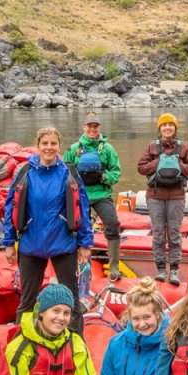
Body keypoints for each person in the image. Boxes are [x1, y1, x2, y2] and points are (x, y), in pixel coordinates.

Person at [2, 125, 93, 330]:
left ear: (59, 146)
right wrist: (9, 243)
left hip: (63, 244)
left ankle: (75, 343)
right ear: (38, 146)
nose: (49, 148)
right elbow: (11, 209)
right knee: (27, 301)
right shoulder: (25, 173)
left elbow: (83, 208)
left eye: (53, 144)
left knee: (71, 299)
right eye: (45, 143)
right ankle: (21, 342)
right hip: (30, 245)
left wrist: (85, 243)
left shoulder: (68, 173)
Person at [136, 114, 188, 285]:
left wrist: (178, 165)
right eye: (164, 125)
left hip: (176, 196)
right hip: (155, 196)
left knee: (175, 233)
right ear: (160, 129)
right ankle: (161, 269)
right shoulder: (152, 147)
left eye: (171, 125)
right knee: (158, 234)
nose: (167, 128)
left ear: (175, 128)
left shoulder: (184, 147)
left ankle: (175, 270)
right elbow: (140, 168)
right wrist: (157, 163)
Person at [65, 112, 124, 281]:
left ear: (99, 128)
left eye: (95, 126)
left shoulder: (107, 149)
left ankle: (113, 267)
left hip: (101, 195)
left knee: (112, 224)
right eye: (89, 126)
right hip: (80, 195)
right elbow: (63, 171)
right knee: (74, 227)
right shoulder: (74, 149)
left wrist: (104, 177)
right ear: (84, 127)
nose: (92, 129)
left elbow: (116, 172)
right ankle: (75, 263)